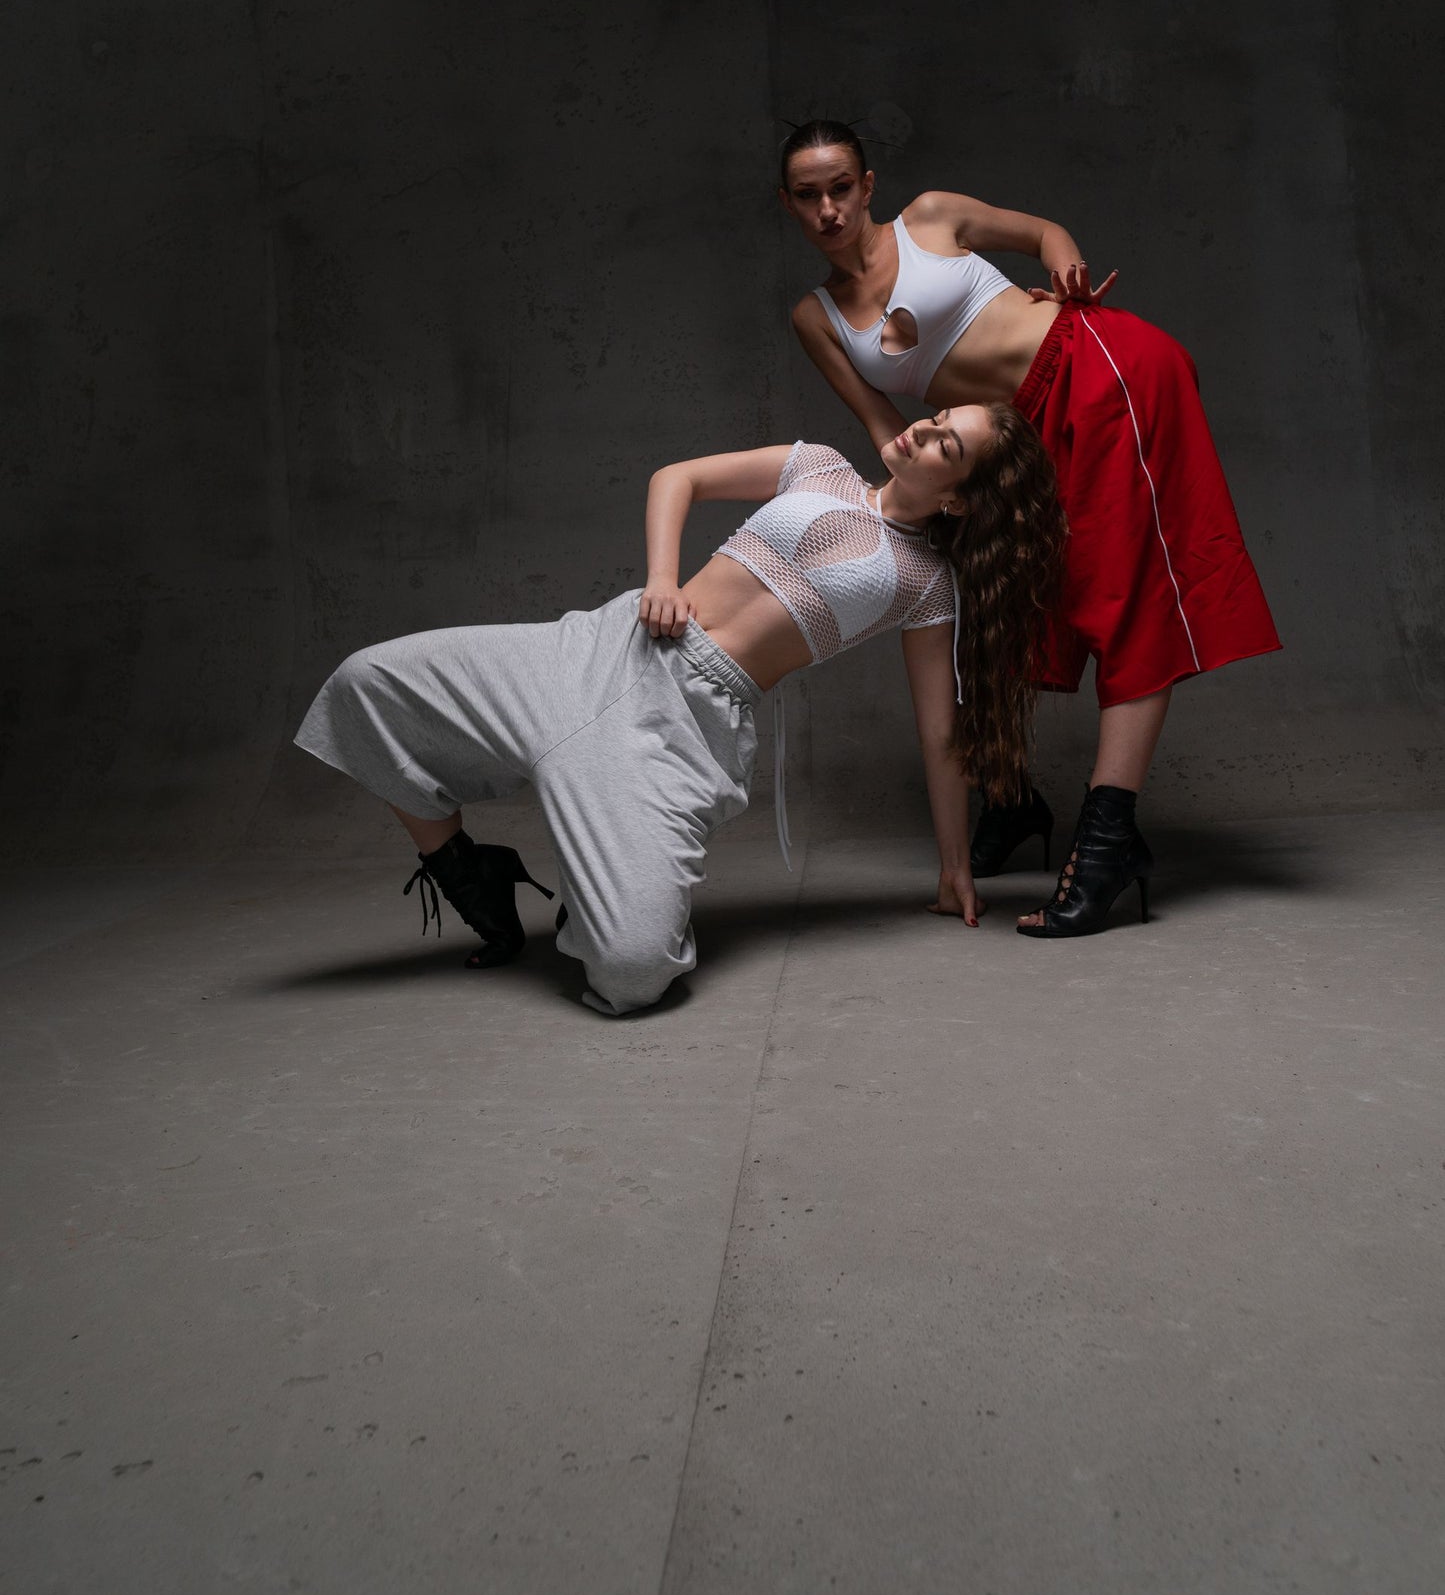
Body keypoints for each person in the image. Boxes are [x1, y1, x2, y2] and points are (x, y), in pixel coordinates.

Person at [295, 404, 1065, 1014]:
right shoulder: (819, 465)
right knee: (366, 684)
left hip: (683, 726)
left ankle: (599, 889)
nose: (922, 428)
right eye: (937, 416)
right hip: (606, 648)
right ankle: (467, 871)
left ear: (958, 497)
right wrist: (662, 577)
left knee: (630, 974)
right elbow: (678, 476)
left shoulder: (925, 583)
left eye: (945, 444)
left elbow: (938, 729)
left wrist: (953, 867)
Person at [780, 119, 1280, 939]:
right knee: (983, 593)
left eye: (841, 188)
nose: (828, 208)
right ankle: (1009, 796)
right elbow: (883, 427)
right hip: (1014, 437)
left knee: (1122, 596)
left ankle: (1109, 837)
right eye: (809, 196)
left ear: (867, 187)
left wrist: (1065, 269)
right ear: (790, 204)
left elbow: (1045, 232)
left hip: (1100, 369)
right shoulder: (817, 316)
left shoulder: (931, 217)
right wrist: (893, 505)